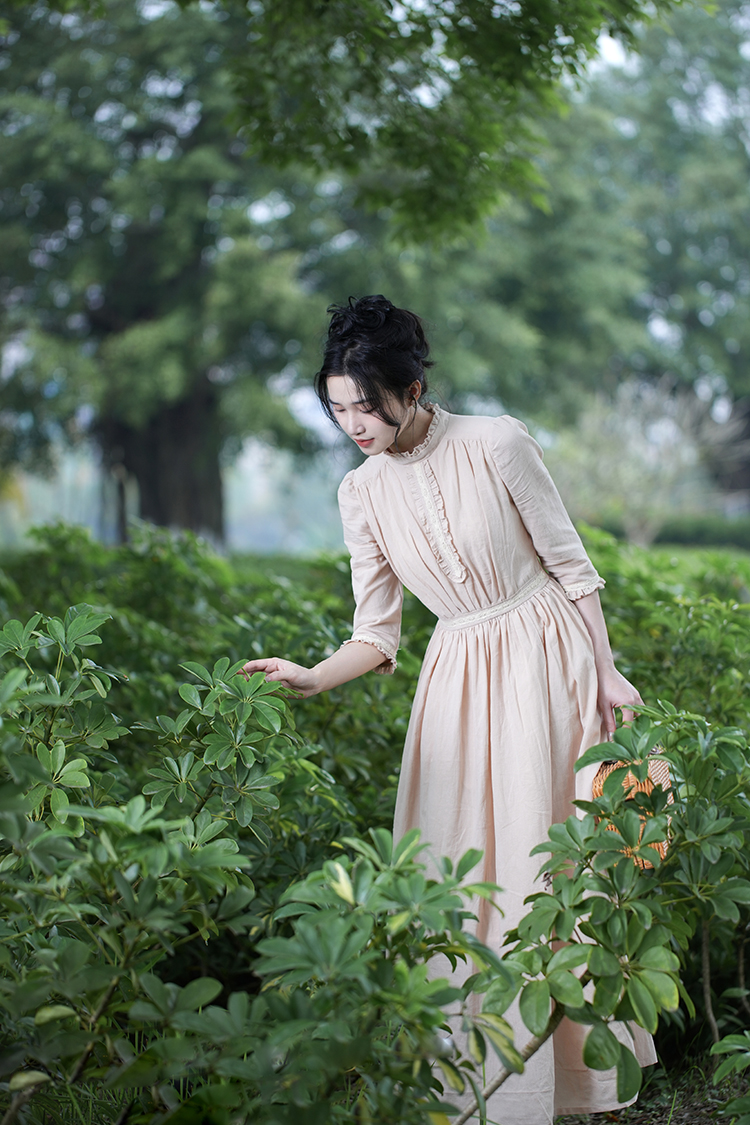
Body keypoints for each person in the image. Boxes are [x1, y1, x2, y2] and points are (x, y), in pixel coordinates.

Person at [242, 294, 656, 1124]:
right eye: (338, 409)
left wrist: (606, 674)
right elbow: (376, 629)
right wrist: (316, 675)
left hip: (546, 657)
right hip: (458, 680)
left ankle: (588, 1086)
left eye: (367, 403)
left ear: (413, 386)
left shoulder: (498, 440)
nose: (355, 423)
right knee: (461, 865)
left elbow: (571, 566)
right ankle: (480, 1084)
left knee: (552, 861)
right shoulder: (360, 493)